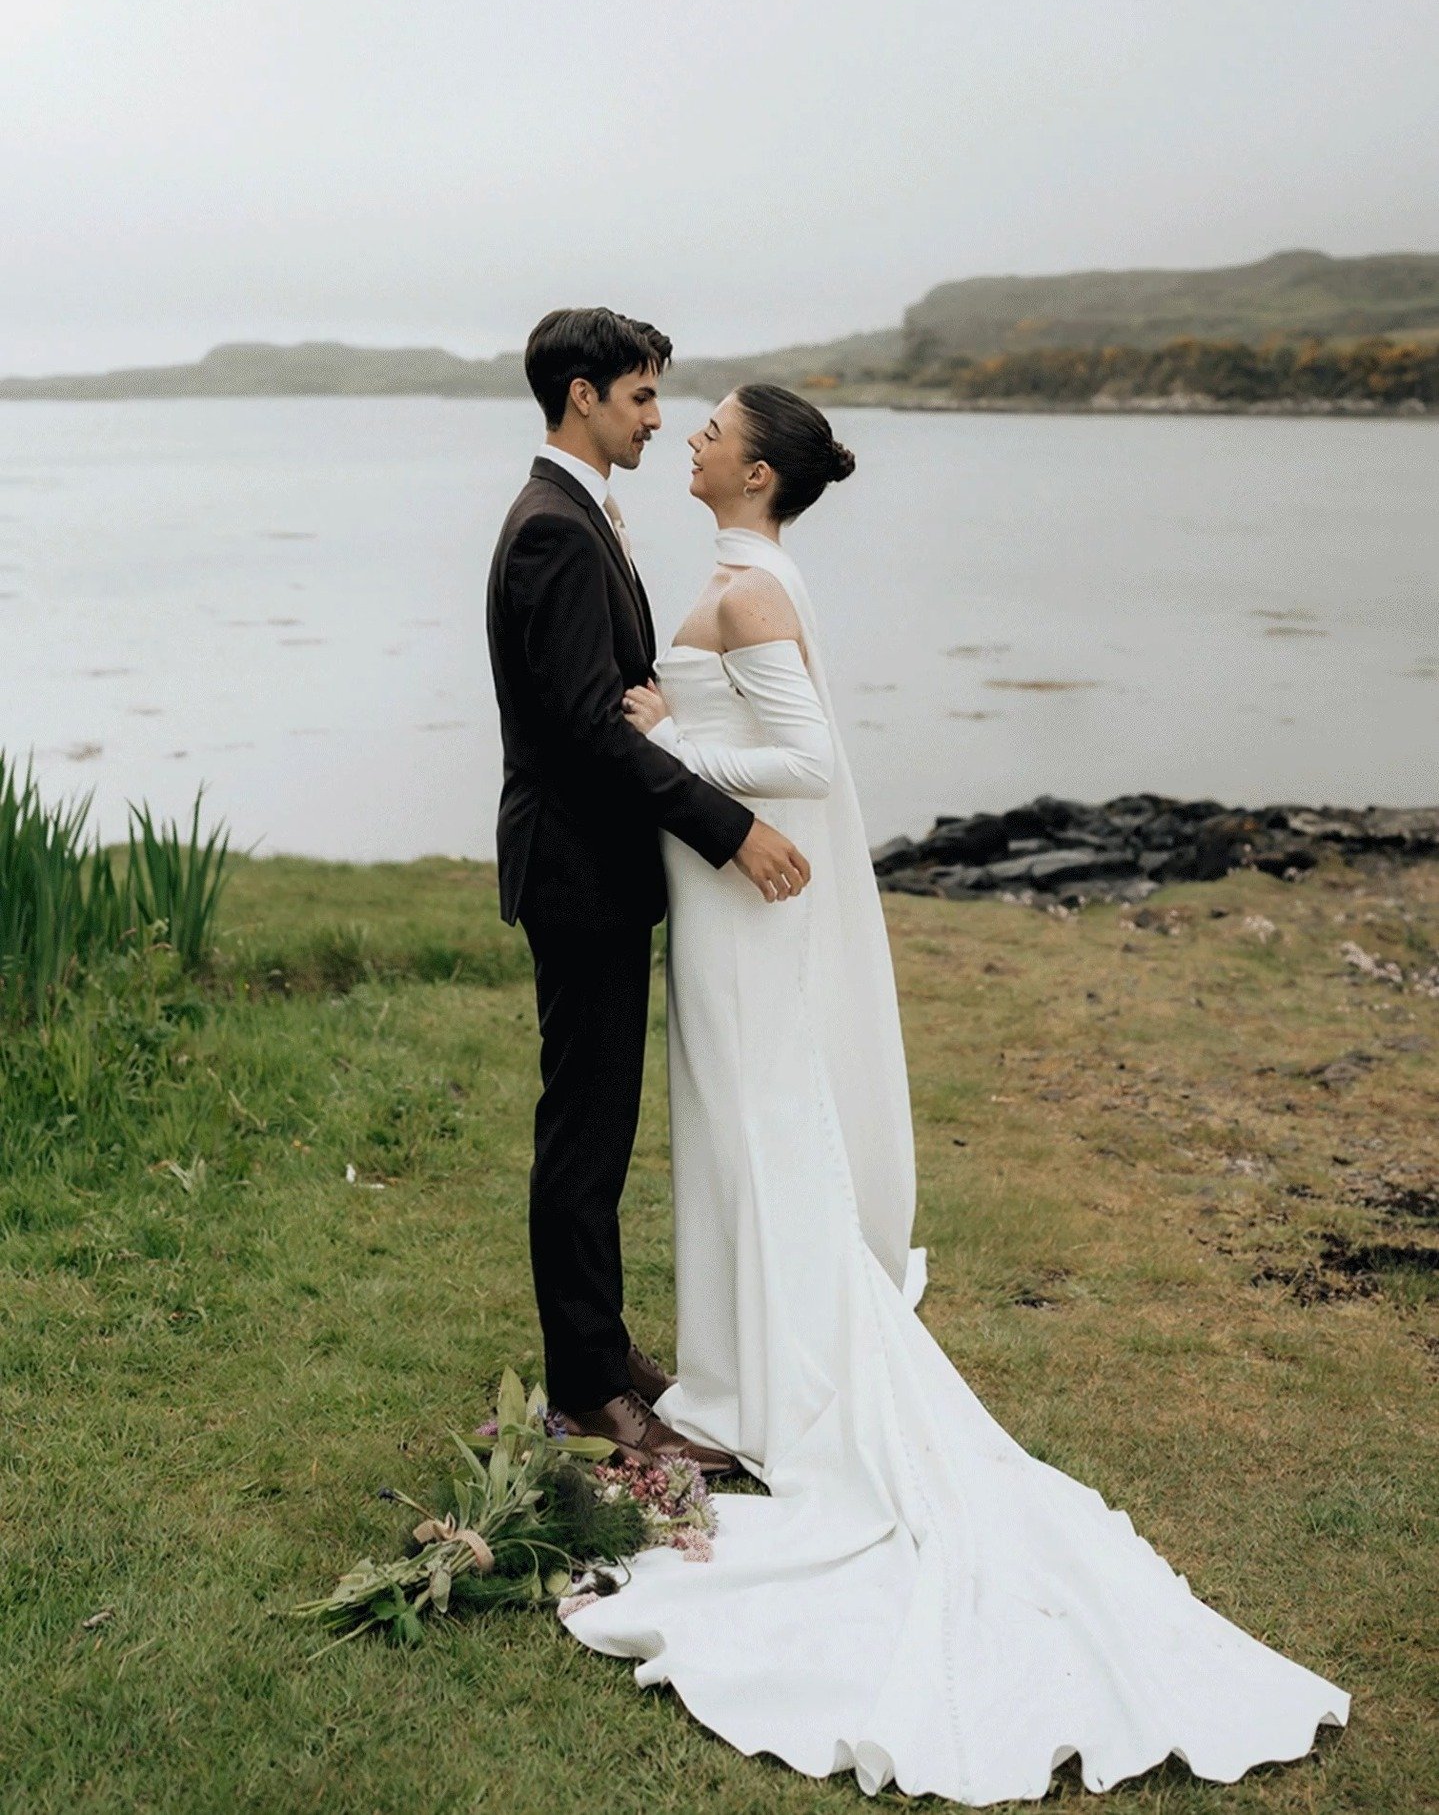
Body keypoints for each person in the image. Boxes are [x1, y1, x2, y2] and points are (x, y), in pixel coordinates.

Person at [560, 382, 1350, 1804]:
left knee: (754, 1132)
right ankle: (740, 1372)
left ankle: (771, 1384)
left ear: (753, 470)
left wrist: (670, 743)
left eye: (711, 426)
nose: (688, 434)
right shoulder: (747, 568)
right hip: (732, 903)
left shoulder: (748, 589)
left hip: (744, 905)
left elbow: (802, 760)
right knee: (741, 1139)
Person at [485, 310, 812, 1479]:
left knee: (599, 1132)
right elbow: (582, 730)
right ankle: (584, 1388)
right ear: (582, 397)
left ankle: (605, 1353)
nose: (657, 418)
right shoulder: (552, 532)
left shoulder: (579, 514)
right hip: (578, 876)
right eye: (639, 398)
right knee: (581, 1137)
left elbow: (615, 705)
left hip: (600, 872)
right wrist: (729, 829)